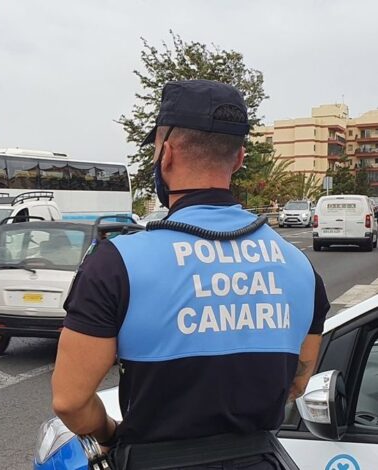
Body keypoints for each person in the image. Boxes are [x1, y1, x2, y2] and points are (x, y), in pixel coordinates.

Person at [51, 80, 329, 470]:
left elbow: (70, 399)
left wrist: (111, 434)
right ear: (238, 159)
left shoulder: (117, 262)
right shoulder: (298, 265)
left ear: (165, 155)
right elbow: (297, 382)